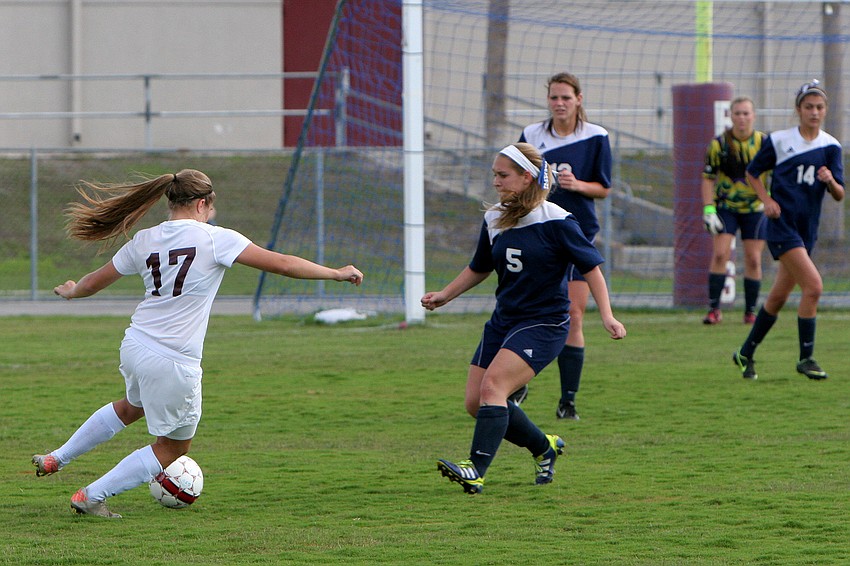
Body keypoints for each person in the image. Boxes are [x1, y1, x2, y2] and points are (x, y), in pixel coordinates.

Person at [32, 169, 363, 518]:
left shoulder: (146, 239)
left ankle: (57, 457)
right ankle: (92, 495)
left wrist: (72, 290)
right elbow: (281, 264)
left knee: (132, 406)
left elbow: (95, 281)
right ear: (203, 203)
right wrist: (335, 272)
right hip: (174, 358)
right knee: (173, 447)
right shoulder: (216, 239)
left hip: (136, 343)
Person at [422, 143, 626, 495]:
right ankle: (543, 447)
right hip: (504, 321)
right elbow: (480, 267)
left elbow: (591, 267)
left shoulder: (556, 220)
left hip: (545, 323)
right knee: (477, 402)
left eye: (503, 175)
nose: (496, 182)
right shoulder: (494, 218)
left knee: (494, 389)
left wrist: (606, 315)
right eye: (494, 175)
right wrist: (444, 295)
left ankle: (476, 470)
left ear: (526, 177)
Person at [509, 72, 613, 421]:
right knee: (527, 308)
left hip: (577, 233)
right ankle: (518, 377)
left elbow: (604, 188)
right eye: (554, 97)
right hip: (538, 232)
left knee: (574, 313)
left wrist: (578, 185)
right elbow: (521, 179)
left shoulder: (596, 136)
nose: (559, 103)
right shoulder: (533, 135)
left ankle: (568, 400)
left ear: (578, 99)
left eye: (566, 97)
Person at [732, 80, 844, 380]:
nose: (815, 112)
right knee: (814, 287)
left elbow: (839, 194)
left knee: (778, 297)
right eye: (809, 107)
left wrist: (830, 180)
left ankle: (745, 353)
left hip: (807, 230)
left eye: (820, 107)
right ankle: (806, 358)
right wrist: (766, 200)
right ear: (799, 110)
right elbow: (752, 173)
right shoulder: (780, 140)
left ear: (825, 110)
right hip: (782, 227)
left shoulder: (831, 146)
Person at [701, 96, 768, 326]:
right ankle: (714, 309)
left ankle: (750, 312)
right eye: (737, 113)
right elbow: (708, 179)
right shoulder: (718, 144)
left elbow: (776, 176)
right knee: (720, 254)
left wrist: (770, 201)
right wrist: (709, 209)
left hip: (755, 209)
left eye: (746, 113)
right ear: (730, 116)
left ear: (753, 116)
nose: (742, 118)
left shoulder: (764, 144)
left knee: (753, 258)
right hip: (726, 206)